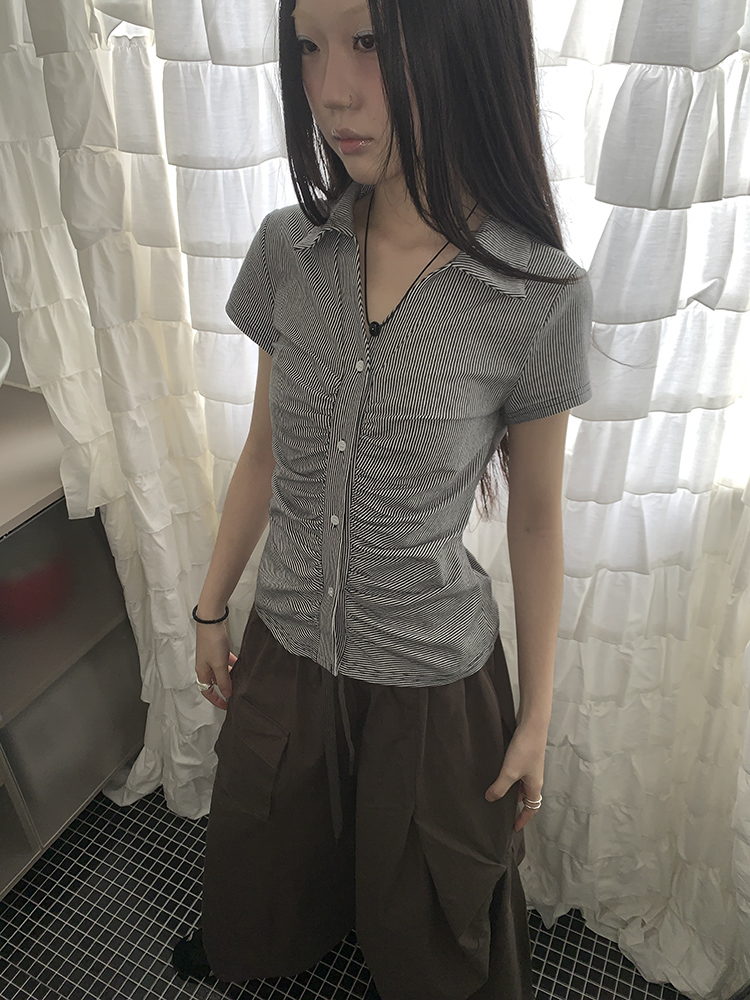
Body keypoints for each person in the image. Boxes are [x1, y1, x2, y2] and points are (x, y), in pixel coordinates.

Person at [172, 0, 592, 997]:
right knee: (267, 847)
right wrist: (210, 605)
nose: (331, 92)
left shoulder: (537, 296)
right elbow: (264, 453)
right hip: (285, 648)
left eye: (368, 43)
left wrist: (536, 717)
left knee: (431, 916)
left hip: (431, 684)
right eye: (308, 48)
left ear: (460, 44)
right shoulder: (288, 250)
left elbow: (537, 520)